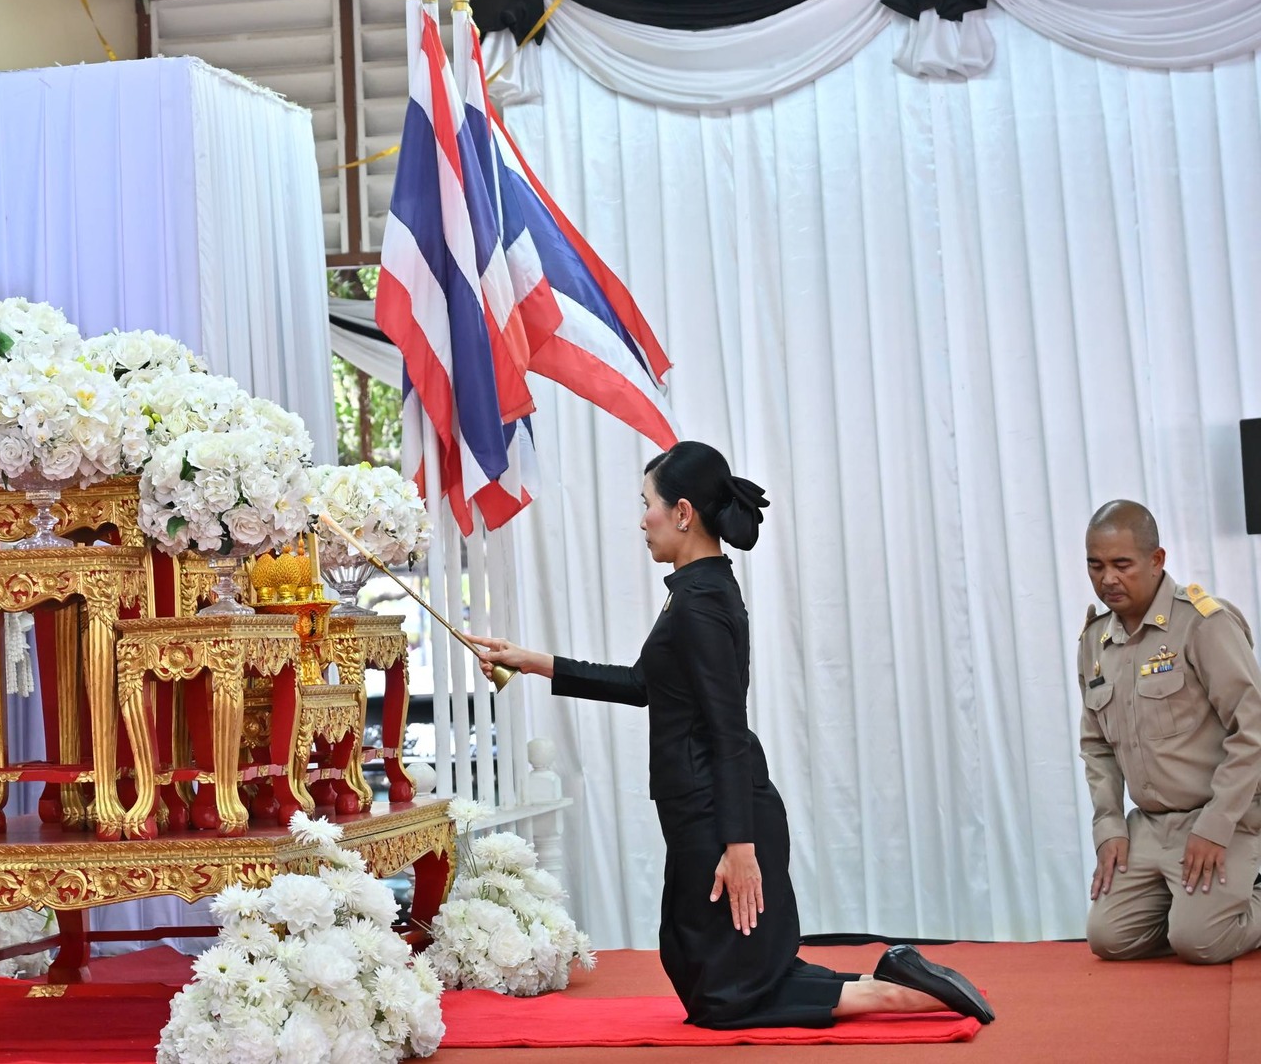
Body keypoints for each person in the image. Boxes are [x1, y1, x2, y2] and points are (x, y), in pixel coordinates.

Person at [464, 441, 993, 1029]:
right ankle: (892, 979)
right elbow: (647, 683)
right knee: (710, 971)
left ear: (683, 513)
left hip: (717, 812)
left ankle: (895, 993)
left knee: (723, 994)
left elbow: (727, 729)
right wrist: (533, 662)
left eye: (648, 505)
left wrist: (738, 847)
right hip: (702, 805)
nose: (642, 519)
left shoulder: (701, 602)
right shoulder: (698, 591)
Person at [1078, 499, 1261, 963]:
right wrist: (1109, 825)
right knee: (1108, 938)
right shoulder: (1095, 640)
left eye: (1122, 564)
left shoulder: (1203, 623)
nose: (1108, 579)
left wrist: (1218, 825)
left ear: (1157, 560)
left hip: (1222, 815)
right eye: (1095, 565)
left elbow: (1253, 727)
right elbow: (1096, 744)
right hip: (1152, 826)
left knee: (1199, 942)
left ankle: (1237, 890)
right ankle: (1194, 908)